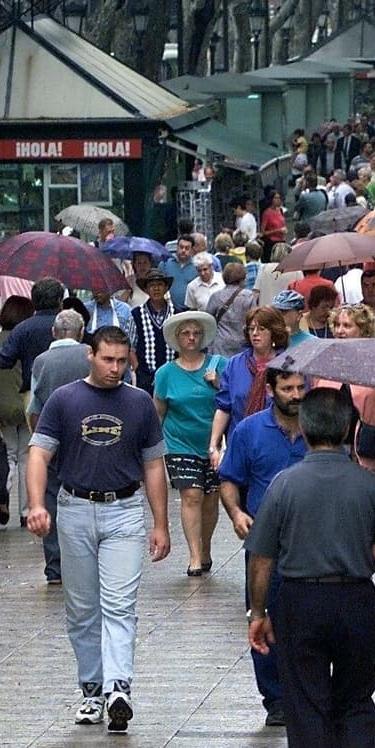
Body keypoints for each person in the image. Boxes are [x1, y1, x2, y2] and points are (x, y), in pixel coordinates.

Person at [245, 388, 375, 748]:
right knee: (356, 697)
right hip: (355, 601)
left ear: (305, 429)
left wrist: (258, 612)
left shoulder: (285, 485)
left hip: (299, 602)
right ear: (351, 429)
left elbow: (261, 557)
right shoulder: (367, 484)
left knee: (307, 709)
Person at [27, 326, 171, 732]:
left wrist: (160, 522)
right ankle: (91, 689)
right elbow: (38, 453)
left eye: (122, 361)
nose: (115, 368)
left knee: (120, 604)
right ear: (90, 355)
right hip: (74, 507)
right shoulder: (65, 400)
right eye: (108, 359)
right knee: (82, 608)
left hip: (123, 509)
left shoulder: (139, 403)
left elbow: (153, 464)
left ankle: (118, 687)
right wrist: (37, 504)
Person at [219, 365, 308, 727]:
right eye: (288, 388)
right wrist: (236, 513)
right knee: (262, 611)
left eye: (301, 387)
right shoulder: (249, 430)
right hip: (264, 540)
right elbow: (229, 478)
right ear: (271, 389)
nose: (296, 395)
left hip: (309, 539)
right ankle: (275, 697)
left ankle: (305, 689)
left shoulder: (319, 429)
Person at [153, 311, 228, 579]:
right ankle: (195, 556)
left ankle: (205, 547)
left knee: (210, 499)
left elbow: (230, 402)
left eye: (196, 332)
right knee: (191, 495)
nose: (191, 337)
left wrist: (218, 383)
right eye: (186, 333)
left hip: (213, 443)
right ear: (177, 338)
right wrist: (152, 447)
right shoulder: (165, 373)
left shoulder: (219, 365)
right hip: (179, 442)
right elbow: (159, 410)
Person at [28, 310, 93, 585]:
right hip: (91, 436)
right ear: (81, 332)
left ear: (54, 332)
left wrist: (38, 437)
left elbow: (35, 406)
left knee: (52, 495)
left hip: (53, 438)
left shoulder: (42, 361)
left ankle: (55, 565)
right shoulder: (90, 355)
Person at [320, 304, 375, 476]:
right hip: (332, 443)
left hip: (368, 443)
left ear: (364, 330)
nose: (340, 331)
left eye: (347, 326)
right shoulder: (325, 359)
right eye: (337, 325)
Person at [208, 308, 289, 462]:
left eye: (261, 329)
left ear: (274, 332)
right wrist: (214, 445)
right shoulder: (235, 364)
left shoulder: (286, 364)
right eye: (251, 329)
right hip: (240, 444)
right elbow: (224, 407)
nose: (255, 333)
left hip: (277, 446)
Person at [0, 296, 33, 527]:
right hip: (25, 404)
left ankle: (2, 497)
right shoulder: (28, 338)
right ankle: (26, 512)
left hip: (0, 406)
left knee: (8, 457)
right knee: (26, 457)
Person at [0, 277, 63, 395]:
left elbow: (0, 363)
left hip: (33, 393)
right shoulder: (70, 325)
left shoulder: (23, 328)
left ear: (33, 300)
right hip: (65, 392)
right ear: (59, 300)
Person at [128, 268, 176, 396]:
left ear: (166, 288)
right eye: (152, 285)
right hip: (146, 375)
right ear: (146, 289)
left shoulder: (177, 312)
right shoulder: (136, 314)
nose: (156, 289)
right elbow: (131, 347)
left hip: (173, 373)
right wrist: (138, 369)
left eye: (160, 284)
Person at [206, 262, 258, 357]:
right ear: (243, 278)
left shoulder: (216, 297)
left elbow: (208, 320)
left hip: (221, 344)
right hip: (243, 343)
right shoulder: (249, 296)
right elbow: (254, 320)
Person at [158, 235, 198, 309]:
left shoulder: (197, 267)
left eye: (187, 248)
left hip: (189, 310)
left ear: (192, 250)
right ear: (177, 247)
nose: (183, 250)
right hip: (168, 308)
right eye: (181, 247)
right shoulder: (165, 264)